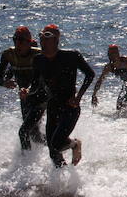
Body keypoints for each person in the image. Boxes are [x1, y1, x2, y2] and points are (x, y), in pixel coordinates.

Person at [27, 25, 94, 167]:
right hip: (53, 106)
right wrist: (26, 90)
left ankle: (75, 144)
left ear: (56, 41)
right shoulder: (38, 60)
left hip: (70, 106)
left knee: (56, 144)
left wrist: (78, 97)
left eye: (47, 40)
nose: (42, 44)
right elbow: (34, 85)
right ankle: (63, 183)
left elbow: (90, 74)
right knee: (52, 151)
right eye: (41, 40)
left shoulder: (71, 56)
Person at [0, 26, 45, 146]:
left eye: (21, 41)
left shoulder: (38, 55)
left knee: (23, 131)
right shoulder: (9, 55)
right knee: (34, 134)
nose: (18, 44)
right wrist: (4, 82)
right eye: (15, 40)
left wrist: (29, 90)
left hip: (41, 97)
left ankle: (24, 162)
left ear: (29, 43)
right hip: (25, 99)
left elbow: (44, 79)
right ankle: (56, 146)